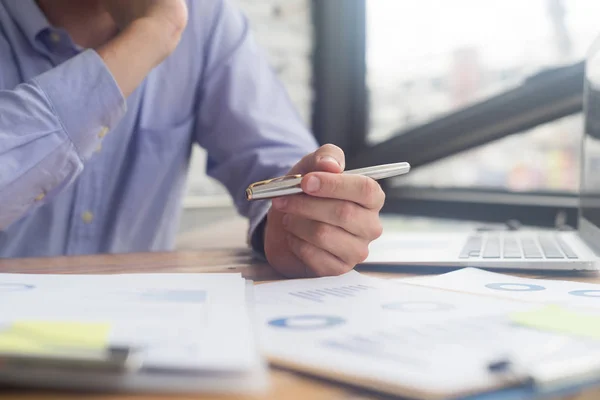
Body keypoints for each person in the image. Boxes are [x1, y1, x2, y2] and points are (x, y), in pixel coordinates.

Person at [0, 0, 384, 278]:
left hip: (143, 328)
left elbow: (275, 158)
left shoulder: (207, 21)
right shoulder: (175, 21)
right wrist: (153, 34)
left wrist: (295, 223)